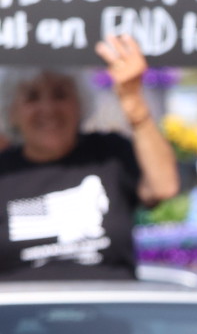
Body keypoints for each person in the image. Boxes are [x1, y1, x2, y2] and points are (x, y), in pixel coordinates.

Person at [0, 36, 180, 279]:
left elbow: (163, 187)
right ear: (11, 111)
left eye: (60, 95)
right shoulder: (5, 170)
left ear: (80, 102)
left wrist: (133, 102)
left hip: (107, 310)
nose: (48, 108)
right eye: (32, 97)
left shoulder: (110, 154)